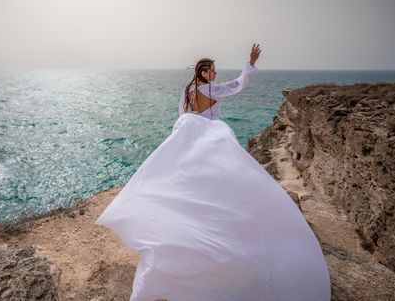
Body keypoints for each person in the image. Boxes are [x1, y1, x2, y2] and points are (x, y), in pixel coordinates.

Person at [95, 44, 331, 301]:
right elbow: (238, 86)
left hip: (185, 131)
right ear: (203, 72)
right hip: (206, 133)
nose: (216, 74)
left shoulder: (188, 91)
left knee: (184, 178)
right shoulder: (210, 90)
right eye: (213, 71)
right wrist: (250, 64)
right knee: (224, 177)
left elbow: (183, 115)